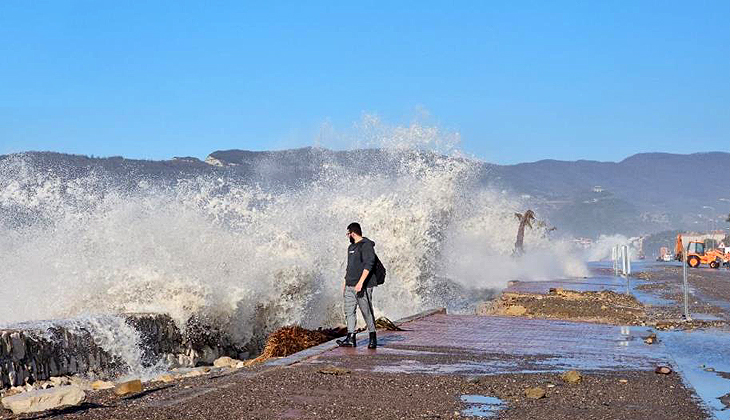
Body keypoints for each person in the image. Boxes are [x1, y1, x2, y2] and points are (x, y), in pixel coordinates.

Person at [336, 222, 378, 349]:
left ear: (353, 233)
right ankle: (351, 338)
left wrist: (360, 283)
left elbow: (369, 264)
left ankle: (372, 337)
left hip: (363, 286)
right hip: (350, 285)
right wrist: (345, 282)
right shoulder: (351, 248)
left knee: (366, 311)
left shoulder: (366, 245)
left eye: (348, 234)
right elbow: (350, 267)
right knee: (349, 311)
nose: (347, 236)